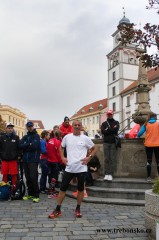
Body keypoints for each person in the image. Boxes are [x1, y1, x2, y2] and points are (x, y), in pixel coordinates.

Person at [48, 120, 97, 219]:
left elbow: (95, 148)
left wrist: (89, 157)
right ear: (72, 126)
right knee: (62, 188)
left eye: (79, 125)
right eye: (75, 125)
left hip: (81, 168)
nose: (77, 126)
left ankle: (78, 209)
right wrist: (62, 158)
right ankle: (58, 209)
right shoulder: (67, 137)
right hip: (69, 167)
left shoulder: (85, 138)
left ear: (81, 126)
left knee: (80, 189)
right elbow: (61, 148)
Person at [19, 121, 41, 203]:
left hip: (33, 160)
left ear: (33, 127)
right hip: (25, 160)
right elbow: (20, 145)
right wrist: (29, 144)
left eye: (31, 126)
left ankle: (36, 194)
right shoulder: (25, 136)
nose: (30, 128)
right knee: (27, 178)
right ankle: (30, 193)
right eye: (28, 127)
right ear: (27, 127)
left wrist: (26, 145)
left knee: (33, 177)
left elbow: (35, 146)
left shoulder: (36, 136)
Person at [137, 113, 159, 182]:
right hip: (157, 144)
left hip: (148, 145)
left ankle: (149, 177)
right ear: (155, 117)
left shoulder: (146, 124)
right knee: (158, 161)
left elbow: (139, 134)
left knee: (149, 161)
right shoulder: (158, 124)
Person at [101, 110, 119, 181]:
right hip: (106, 142)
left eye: (110, 114)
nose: (109, 115)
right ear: (106, 115)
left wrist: (108, 130)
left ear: (112, 114)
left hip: (113, 142)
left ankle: (111, 174)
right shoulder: (104, 123)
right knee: (106, 159)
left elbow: (116, 130)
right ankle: (106, 174)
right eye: (108, 114)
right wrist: (111, 129)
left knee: (112, 159)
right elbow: (103, 132)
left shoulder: (116, 122)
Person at [0, 122, 20, 190]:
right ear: (6, 129)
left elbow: (19, 148)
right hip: (4, 160)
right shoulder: (2, 138)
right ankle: (4, 190)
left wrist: (17, 156)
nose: (10, 129)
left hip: (13, 160)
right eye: (9, 128)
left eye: (11, 128)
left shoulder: (16, 137)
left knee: (14, 175)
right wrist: (2, 156)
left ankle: (14, 190)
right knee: (4, 175)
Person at [46, 132, 62, 198]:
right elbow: (59, 153)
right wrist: (61, 161)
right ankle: (51, 193)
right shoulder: (58, 142)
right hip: (55, 161)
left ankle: (51, 191)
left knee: (50, 176)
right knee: (54, 178)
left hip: (49, 161)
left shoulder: (49, 141)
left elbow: (47, 150)